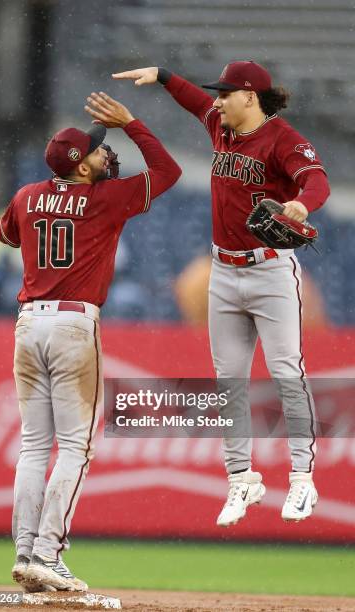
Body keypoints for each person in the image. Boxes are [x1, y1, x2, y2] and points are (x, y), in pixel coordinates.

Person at [113, 63, 330, 526]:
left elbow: (318, 180)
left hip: (270, 273)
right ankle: (241, 481)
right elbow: (194, 100)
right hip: (223, 274)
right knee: (229, 382)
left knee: (286, 373)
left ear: (249, 97)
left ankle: (301, 479)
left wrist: (301, 203)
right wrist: (165, 76)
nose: (216, 101)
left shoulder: (283, 140)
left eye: (225, 93)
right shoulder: (221, 124)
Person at [0, 92, 181, 592]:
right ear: (80, 168)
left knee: (35, 445)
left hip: (27, 325)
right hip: (74, 325)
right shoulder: (104, 199)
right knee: (76, 446)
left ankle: (24, 551)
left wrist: (45, 215)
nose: (106, 154)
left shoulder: (27, 195)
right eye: (98, 151)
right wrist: (133, 123)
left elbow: (5, 234)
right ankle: (47, 554)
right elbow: (168, 172)